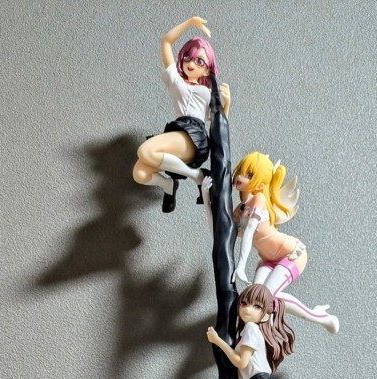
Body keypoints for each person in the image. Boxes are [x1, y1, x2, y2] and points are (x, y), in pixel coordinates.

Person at [231, 152, 338, 333]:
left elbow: (248, 232)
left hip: (292, 254)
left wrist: (241, 265)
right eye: (240, 171)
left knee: (265, 297)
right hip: (268, 260)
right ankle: (259, 335)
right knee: (255, 299)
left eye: (248, 174)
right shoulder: (240, 209)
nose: (240, 177)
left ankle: (322, 317)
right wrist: (207, 199)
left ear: (261, 183)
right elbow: (223, 232)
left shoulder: (258, 200)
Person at [132, 17, 230, 212]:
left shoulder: (208, 91)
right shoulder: (175, 80)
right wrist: (190, 22)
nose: (192, 64)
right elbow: (166, 41)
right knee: (140, 173)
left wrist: (227, 104)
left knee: (145, 151)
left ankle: (197, 176)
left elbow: (218, 124)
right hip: (178, 131)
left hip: (195, 137)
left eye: (199, 61)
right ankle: (169, 185)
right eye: (188, 57)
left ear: (207, 69)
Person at [206, 284, 320, 379]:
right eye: (244, 303)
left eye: (257, 306)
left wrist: (217, 341)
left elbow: (241, 362)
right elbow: (244, 369)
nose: (247, 309)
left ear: (265, 315)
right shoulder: (250, 332)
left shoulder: (251, 328)